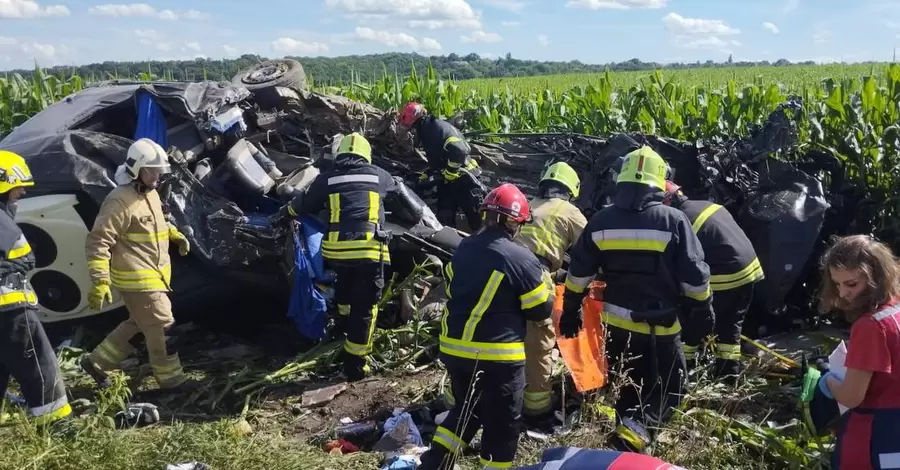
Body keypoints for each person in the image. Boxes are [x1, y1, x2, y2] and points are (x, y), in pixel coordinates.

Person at [558, 146, 713, 453]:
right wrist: (703, 311)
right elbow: (695, 278)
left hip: (615, 326)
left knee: (627, 388)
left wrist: (571, 310)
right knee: (670, 388)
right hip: (662, 327)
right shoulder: (674, 221)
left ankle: (622, 439)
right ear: (659, 182)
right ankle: (635, 436)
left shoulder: (601, 220)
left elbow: (578, 273)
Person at [418, 183, 554, 470]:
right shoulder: (520, 258)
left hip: (455, 352)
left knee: (467, 411)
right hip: (498, 357)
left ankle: (433, 465)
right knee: (503, 425)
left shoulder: (464, 248)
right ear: (514, 221)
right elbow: (540, 310)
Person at [277, 132, 395, 382]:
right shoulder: (380, 176)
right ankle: (355, 366)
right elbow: (397, 193)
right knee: (366, 307)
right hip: (368, 250)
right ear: (366, 154)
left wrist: (285, 211)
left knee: (345, 294)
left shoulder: (327, 178)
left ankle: (342, 332)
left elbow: (302, 204)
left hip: (338, 252)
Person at [80, 138, 195, 391]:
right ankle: (171, 379)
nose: (157, 176)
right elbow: (98, 241)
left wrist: (172, 233)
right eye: (151, 170)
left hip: (156, 276)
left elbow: (155, 223)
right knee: (164, 327)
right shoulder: (119, 200)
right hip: (138, 280)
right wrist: (100, 280)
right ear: (136, 170)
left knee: (140, 323)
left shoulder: (150, 194)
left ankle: (97, 363)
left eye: (159, 170)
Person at [662, 180, 764, 378]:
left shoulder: (680, 220)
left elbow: (684, 264)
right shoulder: (707, 205)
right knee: (730, 324)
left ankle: (685, 367)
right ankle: (728, 376)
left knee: (692, 315)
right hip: (750, 270)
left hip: (726, 273)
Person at [815, 235, 900, 470]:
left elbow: (852, 396)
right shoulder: (896, 311)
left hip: (876, 433)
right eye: (838, 284)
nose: (843, 294)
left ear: (876, 277)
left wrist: (829, 381)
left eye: (851, 284)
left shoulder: (870, 326)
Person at [0, 150, 72, 425]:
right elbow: (22, 260)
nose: (20, 195)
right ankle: (57, 426)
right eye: (17, 190)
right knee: (39, 366)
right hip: (10, 310)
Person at [514, 161, 587, 422]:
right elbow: (590, 250)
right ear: (571, 191)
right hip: (534, 276)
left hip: (502, 271)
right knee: (538, 341)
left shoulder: (526, 203)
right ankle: (537, 407)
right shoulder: (569, 211)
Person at [397, 102, 486, 232]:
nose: (411, 135)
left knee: (477, 222)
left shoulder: (434, 130)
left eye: (412, 130)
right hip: (449, 182)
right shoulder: (430, 130)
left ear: (417, 124)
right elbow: (439, 160)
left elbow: (460, 149)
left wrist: (451, 170)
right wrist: (427, 176)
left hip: (465, 180)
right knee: (445, 221)